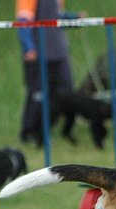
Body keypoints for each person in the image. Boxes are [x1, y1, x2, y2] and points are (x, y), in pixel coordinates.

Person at [15, 0, 82, 143]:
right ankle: (29, 132)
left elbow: (56, 17)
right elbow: (23, 20)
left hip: (58, 53)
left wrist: (75, 19)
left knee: (65, 94)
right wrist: (29, 47)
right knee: (37, 95)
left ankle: (48, 130)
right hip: (38, 54)